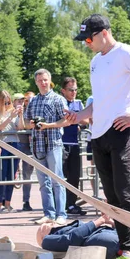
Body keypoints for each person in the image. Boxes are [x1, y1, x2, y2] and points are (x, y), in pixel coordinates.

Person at [69, 13, 130, 259]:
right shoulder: (95, 62)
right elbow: (99, 102)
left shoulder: (126, 53)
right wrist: (78, 116)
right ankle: (127, 250)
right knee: (111, 198)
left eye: (88, 38)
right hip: (98, 135)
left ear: (103, 33)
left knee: (126, 192)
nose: (86, 43)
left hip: (121, 131)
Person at [24, 69, 69, 225]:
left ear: (50, 80)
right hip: (37, 145)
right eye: (39, 80)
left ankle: (61, 214)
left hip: (54, 143)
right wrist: (31, 124)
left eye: (45, 80)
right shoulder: (33, 101)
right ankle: (48, 213)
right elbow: (25, 122)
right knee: (43, 182)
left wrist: (48, 125)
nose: (43, 83)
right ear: (36, 82)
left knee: (57, 180)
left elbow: (67, 121)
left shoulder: (58, 99)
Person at [0, 90, 24, 213]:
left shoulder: (13, 112)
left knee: (12, 175)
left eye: (8, 102)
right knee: (1, 175)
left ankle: (8, 203)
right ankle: (0, 204)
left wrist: (20, 115)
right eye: (4, 102)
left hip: (14, 143)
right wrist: (9, 117)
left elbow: (20, 127)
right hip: (2, 144)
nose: (7, 105)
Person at [60, 77, 87, 216]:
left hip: (75, 143)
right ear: (63, 90)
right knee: (61, 176)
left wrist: (74, 116)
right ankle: (60, 205)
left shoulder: (78, 103)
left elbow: (86, 120)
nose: (74, 92)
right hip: (61, 143)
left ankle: (71, 204)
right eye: (70, 90)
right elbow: (62, 120)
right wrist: (74, 118)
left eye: (75, 89)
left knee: (74, 176)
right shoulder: (59, 102)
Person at [18, 91, 35, 211]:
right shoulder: (22, 113)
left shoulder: (37, 110)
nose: (29, 102)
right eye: (27, 100)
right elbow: (22, 126)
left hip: (39, 145)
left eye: (31, 100)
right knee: (26, 175)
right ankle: (26, 201)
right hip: (26, 146)